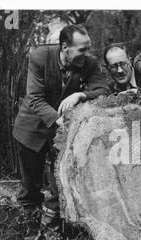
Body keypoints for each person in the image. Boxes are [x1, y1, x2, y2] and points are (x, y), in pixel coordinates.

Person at [13, 24, 110, 226]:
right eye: (82, 49)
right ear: (65, 47)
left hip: (65, 135)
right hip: (32, 128)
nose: (87, 54)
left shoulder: (89, 63)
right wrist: (61, 121)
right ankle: (26, 226)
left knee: (61, 181)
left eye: (88, 48)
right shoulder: (40, 57)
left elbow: (103, 90)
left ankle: (51, 225)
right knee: (30, 185)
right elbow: (35, 98)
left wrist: (81, 94)